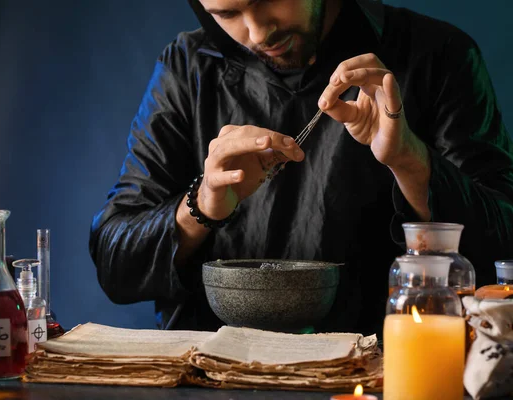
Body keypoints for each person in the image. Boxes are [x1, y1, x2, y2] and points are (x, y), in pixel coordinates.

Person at [89, 0, 513, 335]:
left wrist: (409, 160)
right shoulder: (186, 69)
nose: (257, 33)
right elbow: (116, 267)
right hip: (212, 383)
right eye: (228, 14)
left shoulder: (438, 55)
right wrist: (201, 205)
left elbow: (503, 255)